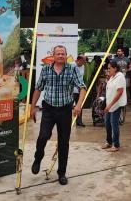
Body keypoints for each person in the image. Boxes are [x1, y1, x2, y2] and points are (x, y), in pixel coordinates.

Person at [30, 45, 87, 186]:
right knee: (43, 136)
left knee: (63, 143)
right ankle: (38, 157)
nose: (60, 55)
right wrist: (32, 107)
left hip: (65, 110)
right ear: (53, 55)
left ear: (66, 55)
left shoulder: (72, 69)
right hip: (48, 109)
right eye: (58, 53)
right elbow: (38, 88)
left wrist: (78, 105)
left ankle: (61, 173)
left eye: (63, 53)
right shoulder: (46, 69)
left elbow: (82, 88)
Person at [102, 62, 127, 152]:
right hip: (109, 104)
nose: (108, 70)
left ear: (115, 68)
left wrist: (110, 105)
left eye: (109, 68)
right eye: (108, 68)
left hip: (116, 105)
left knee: (114, 124)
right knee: (107, 123)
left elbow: (119, 92)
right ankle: (109, 142)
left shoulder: (120, 77)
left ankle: (116, 145)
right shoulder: (112, 77)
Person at [71, 55, 86, 127]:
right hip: (71, 90)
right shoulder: (71, 65)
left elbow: (82, 78)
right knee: (69, 106)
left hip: (79, 90)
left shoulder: (83, 66)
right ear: (79, 60)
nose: (84, 63)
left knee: (80, 105)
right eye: (83, 61)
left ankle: (79, 121)